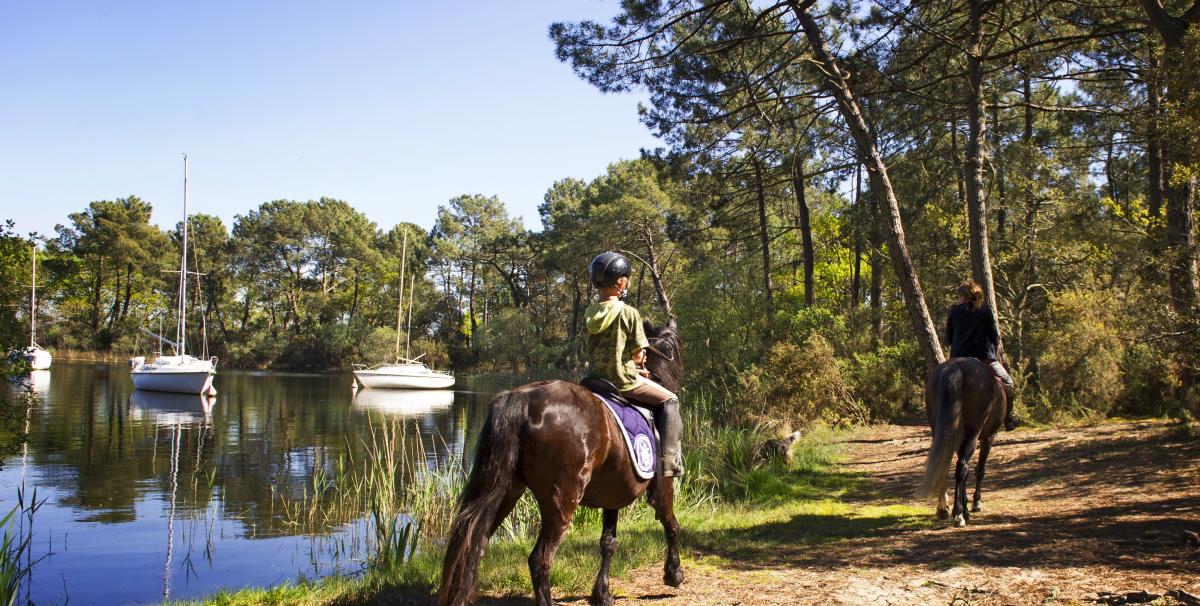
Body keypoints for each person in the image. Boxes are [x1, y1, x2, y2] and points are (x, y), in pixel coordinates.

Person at [583, 251, 684, 477]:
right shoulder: (628, 313)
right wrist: (636, 363)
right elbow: (639, 355)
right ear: (620, 282)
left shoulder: (589, 313)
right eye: (626, 279)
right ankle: (669, 464)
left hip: (592, 381)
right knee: (671, 400)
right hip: (624, 382)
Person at [946, 279, 1021, 431]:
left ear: (964, 296)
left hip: (956, 359)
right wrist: (993, 349)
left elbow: (948, 338)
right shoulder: (985, 311)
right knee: (1008, 382)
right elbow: (995, 337)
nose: (958, 299)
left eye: (959, 296)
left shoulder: (954, 311)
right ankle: (1009, 418)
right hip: (983, 358)